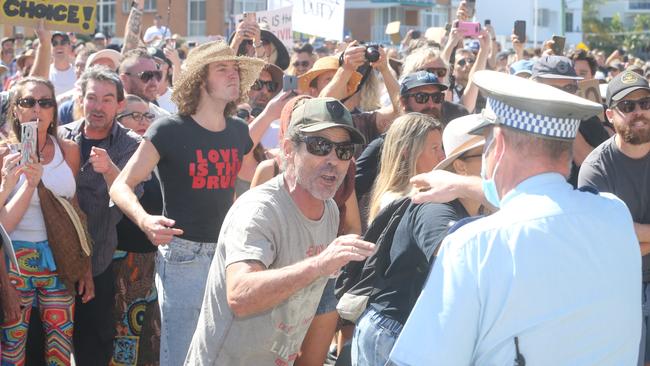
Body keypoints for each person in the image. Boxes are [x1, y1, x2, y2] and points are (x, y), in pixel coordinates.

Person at [389, 70, 641, 365]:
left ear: (499, 143)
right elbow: (541, 199)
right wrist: (463, 184)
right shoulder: (615, 215)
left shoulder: (473, 246)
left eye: (485, 144)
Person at [109, 41, 265, 366]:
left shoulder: (238, 130)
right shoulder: (168, 129)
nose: (232, 74)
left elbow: (256, 177)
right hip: (183, 257)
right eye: (222, 68)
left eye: (235, 68)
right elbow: (122, 185)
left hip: (229, 255)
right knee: (182, 356)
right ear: (200, 79)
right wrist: (144, 220)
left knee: (222, 354)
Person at [184, 97, 373, 365]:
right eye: (320, 146)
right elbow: (240, 294)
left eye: (343, 150)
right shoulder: (259, 211)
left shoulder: (329, 209)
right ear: (287, 149)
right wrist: (319, 264)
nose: (333, 160)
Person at [352, 114, 485, 366]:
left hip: (411, 330)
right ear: (459, 167)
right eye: (485, 154)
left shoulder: (473, 207)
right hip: (394, 332)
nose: (495, 161)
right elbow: (461, 257)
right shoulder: (432, 206)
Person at [0, 77, 90, 365]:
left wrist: (84, 266)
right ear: (16, 110)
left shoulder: (69, 151)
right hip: (15, 261)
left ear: (53, 110)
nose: (36, 109)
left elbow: (73, 210)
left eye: (45, 102)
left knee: (60, 349)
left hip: (58, 258)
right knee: (11, 349)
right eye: (28, 102)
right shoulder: (4, 155)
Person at [59, 66, 142, 365]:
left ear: (120, 104)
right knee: (48, 346)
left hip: (97, 262)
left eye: (107, 99)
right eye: (92, 97)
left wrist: (110, 171)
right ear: (80, 99)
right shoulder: (60, 137)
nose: (97, 106)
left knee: (92, 348)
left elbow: (130, 197)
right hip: (53, 261)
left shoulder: (130, 144)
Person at [578, 70, 650, 366]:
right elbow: (605, 238)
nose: (639, 112)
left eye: (645, 103)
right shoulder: (595, 168)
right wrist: (623, 236)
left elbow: (623, 233)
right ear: (610, 115)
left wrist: (633, 235)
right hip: (619, 286)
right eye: (627, 106)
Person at [110, 94, 162, 365]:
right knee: (123, 337)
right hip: (123, 260)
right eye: (135, 115)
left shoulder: (159, 154)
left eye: (148, 116)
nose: (143, 122)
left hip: (158, 260)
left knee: (154, 338)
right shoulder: (115, 152)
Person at [530, 55, 611, 187]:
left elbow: (600, 169)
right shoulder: (519, 120)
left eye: (569, 88)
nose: (562, 95)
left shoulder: (588, 119)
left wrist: (569, 124)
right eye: (553, 89)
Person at [367, 113, 445, 223]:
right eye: (434, 148)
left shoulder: (439, 192)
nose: (442, 156)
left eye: (441, 148)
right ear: (407, 152)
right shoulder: (395, 203)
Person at [118, 48, 169, 118]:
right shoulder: (109, 117)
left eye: (157, 75)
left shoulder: (163, 118)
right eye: (146, 76)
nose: (154, 83)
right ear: (124, 79)